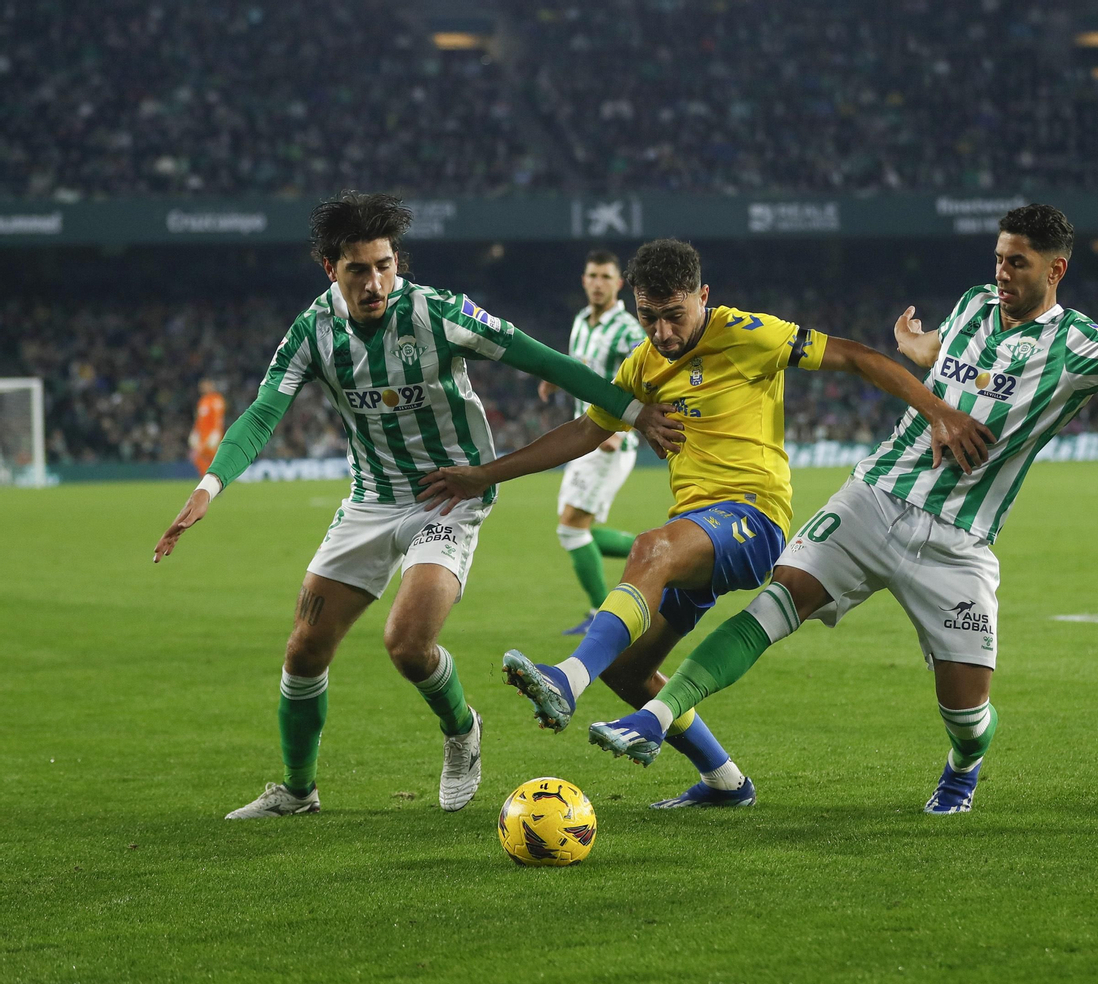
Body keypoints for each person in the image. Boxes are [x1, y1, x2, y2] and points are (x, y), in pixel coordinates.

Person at [587, 206, 1098, 814]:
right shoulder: (975, 304)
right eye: (999, 257)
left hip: (957, 538)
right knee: (777, 602)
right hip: (873, 496)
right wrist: (913, 343)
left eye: (1017, 263)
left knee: (967, 715)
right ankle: (656, 718)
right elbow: (937, 353)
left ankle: (962, 767)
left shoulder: (1075, 344)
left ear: (1056, 269)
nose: (1001, 272)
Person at [151, 191, 681, 820]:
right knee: (302, 653)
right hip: (370, 500)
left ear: (396, 259)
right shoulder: (312, 332)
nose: (375, 283)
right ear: (331, 269)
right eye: (358, 270)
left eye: (384, 265)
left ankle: (462, 733)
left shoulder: (438, 313)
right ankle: (297, 792)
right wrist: (209, 487)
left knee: (406, 643)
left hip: (448, 495)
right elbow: (265, 412)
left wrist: (635, 412)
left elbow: (542, 359)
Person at [418, 237, 991, 808]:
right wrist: (484, 474)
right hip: (697, 532)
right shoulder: (644, 364)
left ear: (703, 297)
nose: (662, 333)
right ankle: (725, 782)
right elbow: (582, 433)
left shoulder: (747, 334)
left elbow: (857, 357)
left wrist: (938, 412)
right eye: (649, 317)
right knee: (628, 669)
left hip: (753, 519)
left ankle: (566, 680)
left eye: (674, 316)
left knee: (649, 550)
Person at [540, 250, 649, 635]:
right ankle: (661, 551)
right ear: (584, 280)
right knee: (574, 528)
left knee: (571, 527)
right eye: (592, 275)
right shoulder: (581, 323)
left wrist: (625, 428)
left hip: (608, 441)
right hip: (582, 437)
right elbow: (580, 365)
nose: (598, 282)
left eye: (606, 276)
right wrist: (555, 377)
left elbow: (647, 379)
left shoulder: (628, 330)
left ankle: (601, 616)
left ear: (618, 283)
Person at [189, 379, 226, 476]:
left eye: (204, 386)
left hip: (211, 436)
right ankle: (210, 480)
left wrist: (216, 434)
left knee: (208, 458)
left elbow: (218, 419)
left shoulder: (216, 399)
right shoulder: (202, 400)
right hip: (202, 436)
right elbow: (199, 420)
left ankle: (214, 480)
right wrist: (195, 433)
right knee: (201, 458)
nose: (202, 388)